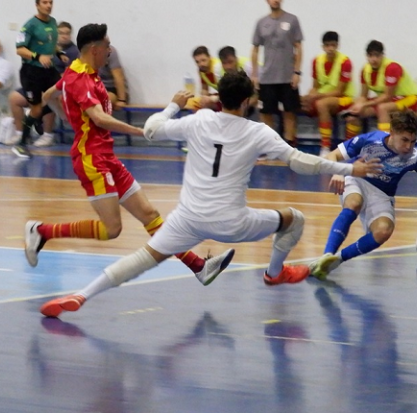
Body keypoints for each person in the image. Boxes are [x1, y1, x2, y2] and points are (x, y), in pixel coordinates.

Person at [39, 70, 383, 318]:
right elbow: (301, 163)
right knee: (294, 220)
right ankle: (274, 273)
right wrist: (350, 169)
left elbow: (150, 130)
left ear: (220, 98)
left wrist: (174, 105)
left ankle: (82, 296)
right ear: (248, 101)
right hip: (232, 224)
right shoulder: (257, 130)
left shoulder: (199, 120)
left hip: (186, 219)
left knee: (142, 258)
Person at [31, 23, 211, 282]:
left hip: (107, 156)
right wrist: (139, 131)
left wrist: (71, 117)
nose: (110, 50)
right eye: (107, 46)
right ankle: (43, 231)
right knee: (112, 229)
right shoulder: (79, 78)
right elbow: (99, 118)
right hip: (91, 159)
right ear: (94, 49)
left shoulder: (82, 71)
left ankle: (198, 267)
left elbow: (49, 95)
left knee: (149, 214)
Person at [309, 110, 417, 280]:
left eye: (413, 141)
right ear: (392, 132)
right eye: (404, 140)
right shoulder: (370, 140)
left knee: (384, 231)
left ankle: (336, 261)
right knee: (354, 203)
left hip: (383, 194)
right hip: (357, 180)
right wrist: (339, 171)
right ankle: (327, 254)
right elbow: (332, 155)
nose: (408, 146)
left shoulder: (415, 156)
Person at [7, 21, 79, 147]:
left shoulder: (73, 52)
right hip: (36, 81)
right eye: (61, 33)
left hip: (54, 86)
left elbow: (69, 76)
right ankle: (21, 133)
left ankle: (47, 135)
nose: (64, 36)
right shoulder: (48, 47)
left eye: (67, 33)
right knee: (14, 98)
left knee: (47, 96)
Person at [251, 0, 303, 146]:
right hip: (267, 77)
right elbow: (255, 49)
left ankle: (289, 144)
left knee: (289, 111)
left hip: (287, 76)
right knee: (265, 112)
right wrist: (255, 75)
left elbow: (298, 47)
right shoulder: (261, 22)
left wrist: (297, 72)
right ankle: (271, 144)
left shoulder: (292, 20)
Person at [13, 0, 60, 158]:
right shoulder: (30, 25)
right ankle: (21, 144)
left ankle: (35, 117)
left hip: (49, 69)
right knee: (36, 108)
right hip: (31, 72)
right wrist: (37, 56)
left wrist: (59, 54)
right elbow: (19, 49)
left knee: (63, 97)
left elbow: (51, 44)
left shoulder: (53, 22)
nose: (48, 5)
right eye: (45, 2)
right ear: (37, 5)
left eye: (50, 2)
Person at [342, 40, 417, 134]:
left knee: (383, 108)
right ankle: (351, 147)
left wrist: (364, 104)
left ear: (382, 55)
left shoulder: (391, 68)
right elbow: (363, 96)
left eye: (377, 55)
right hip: (388, 100)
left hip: (409, 98)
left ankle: (384, 146)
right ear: (366, 56)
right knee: (353, 114)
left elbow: (388, 96)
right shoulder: (365, 70)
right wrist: (357, 106)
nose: (374, 59)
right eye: (370, 55)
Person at [301, 31, 355, 157]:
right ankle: (289, 144)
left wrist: (316, 96)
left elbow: (339, 91)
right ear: (323, 47)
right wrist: (309, 95)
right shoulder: (317, 61)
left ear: (337, 46)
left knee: (321, 104)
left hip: (345, 98)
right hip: (324, 97)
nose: (330, 48)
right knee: (298, 101)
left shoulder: (345, 62)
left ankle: (325, 146)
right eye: (327, 45)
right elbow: (315, 87)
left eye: (333, 45)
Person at [98, 45, 129, 110]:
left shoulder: (109, 51)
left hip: (112, 89)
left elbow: (118, 76)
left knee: (98, 102)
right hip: (96, 88)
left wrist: (122, 100)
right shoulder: (83, 53)